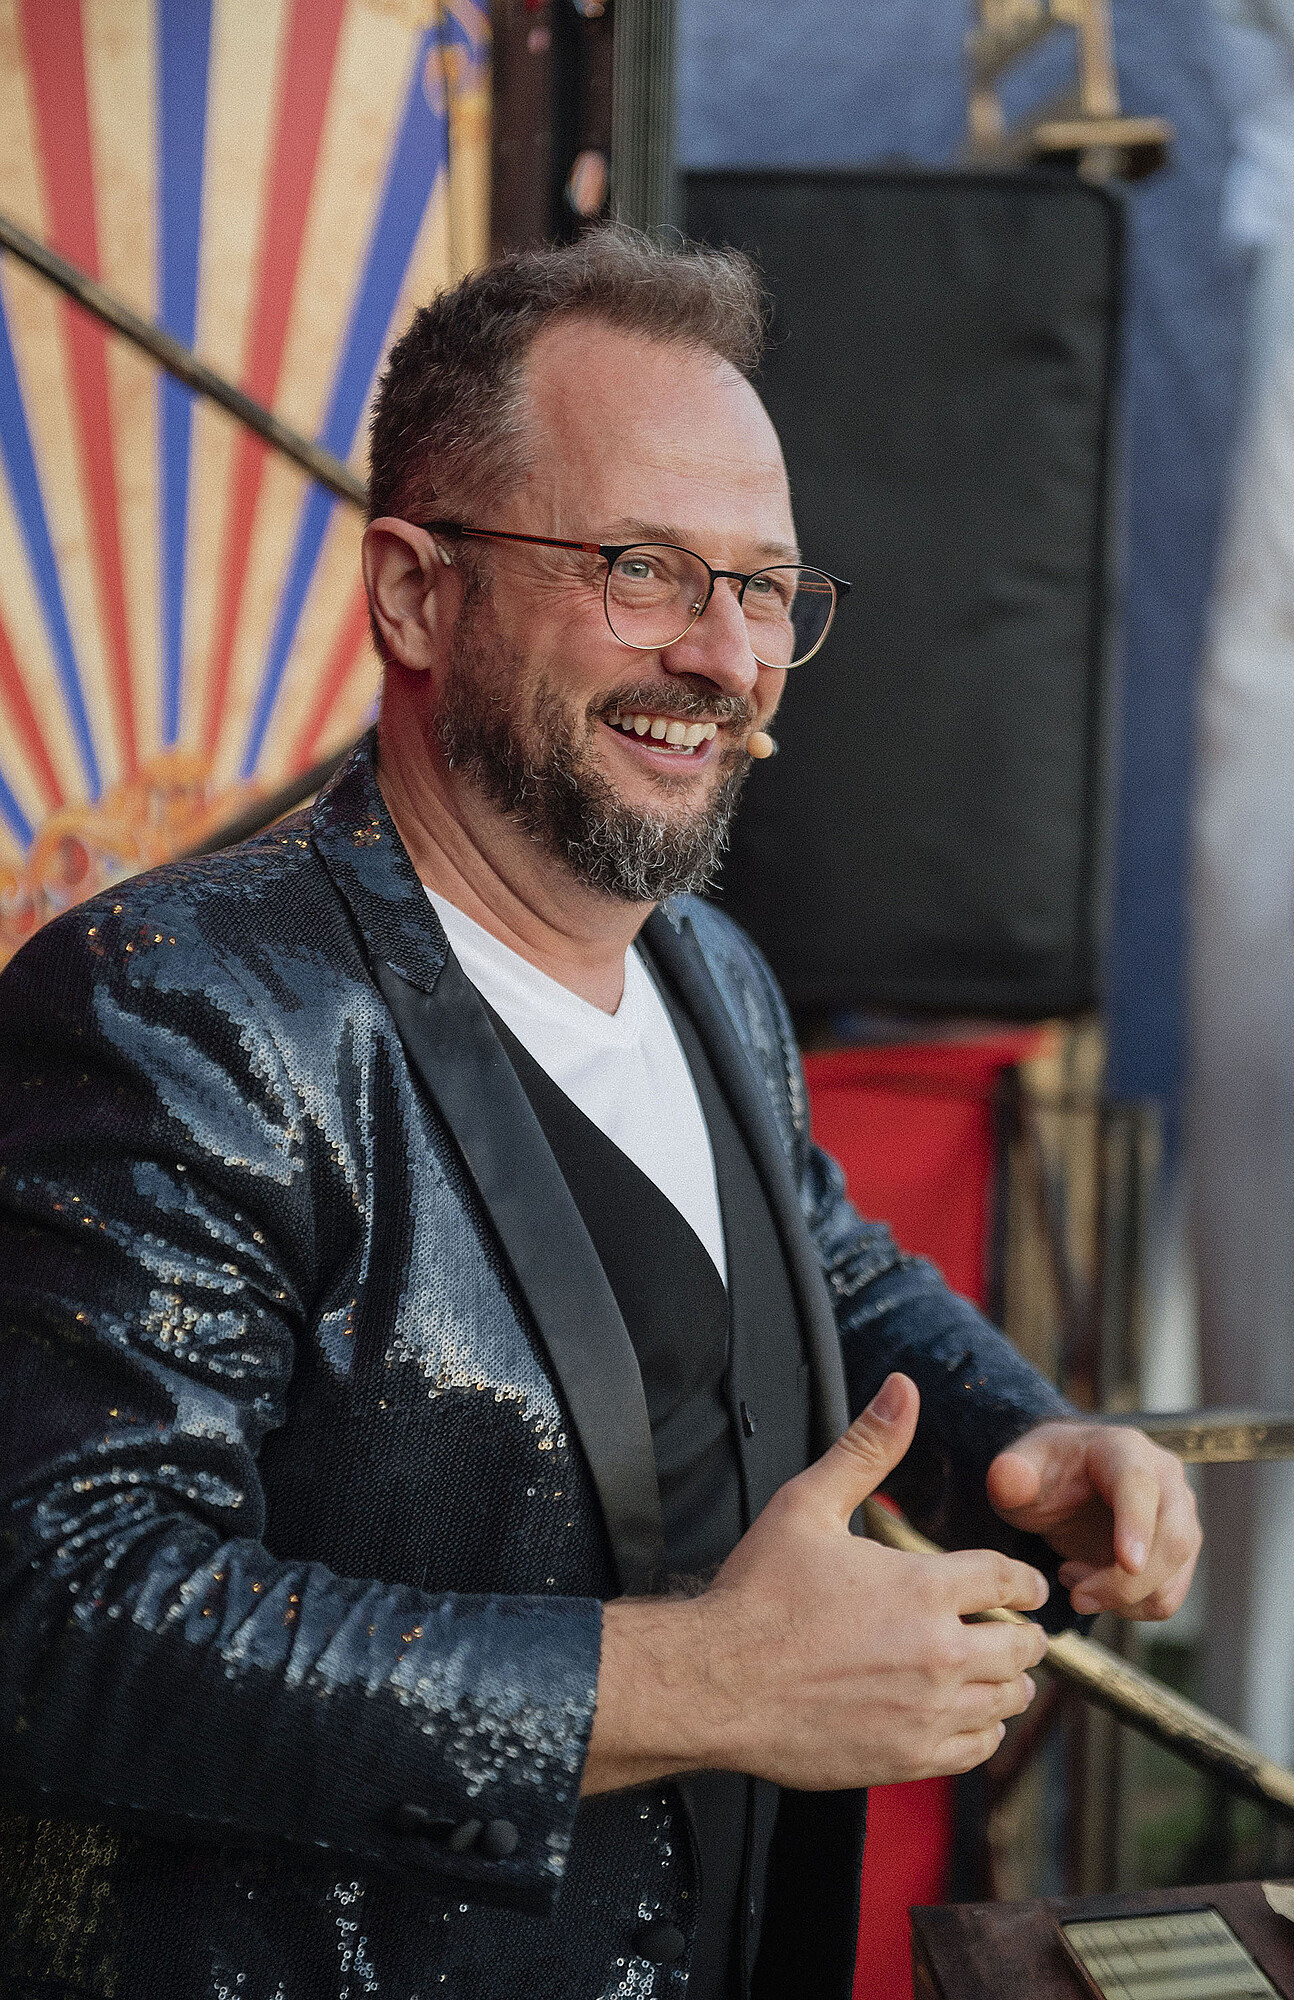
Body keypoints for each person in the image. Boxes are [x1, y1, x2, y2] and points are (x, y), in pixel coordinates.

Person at [0, 228, 1199, 2000]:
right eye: (645, 570)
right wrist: (705, 1687)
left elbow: (817, 1255)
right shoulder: (177, 1003)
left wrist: (1010, 1433)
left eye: (768, 587)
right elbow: (65, 1617)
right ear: (415, 592)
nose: (726, 656)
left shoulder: (712, 968)